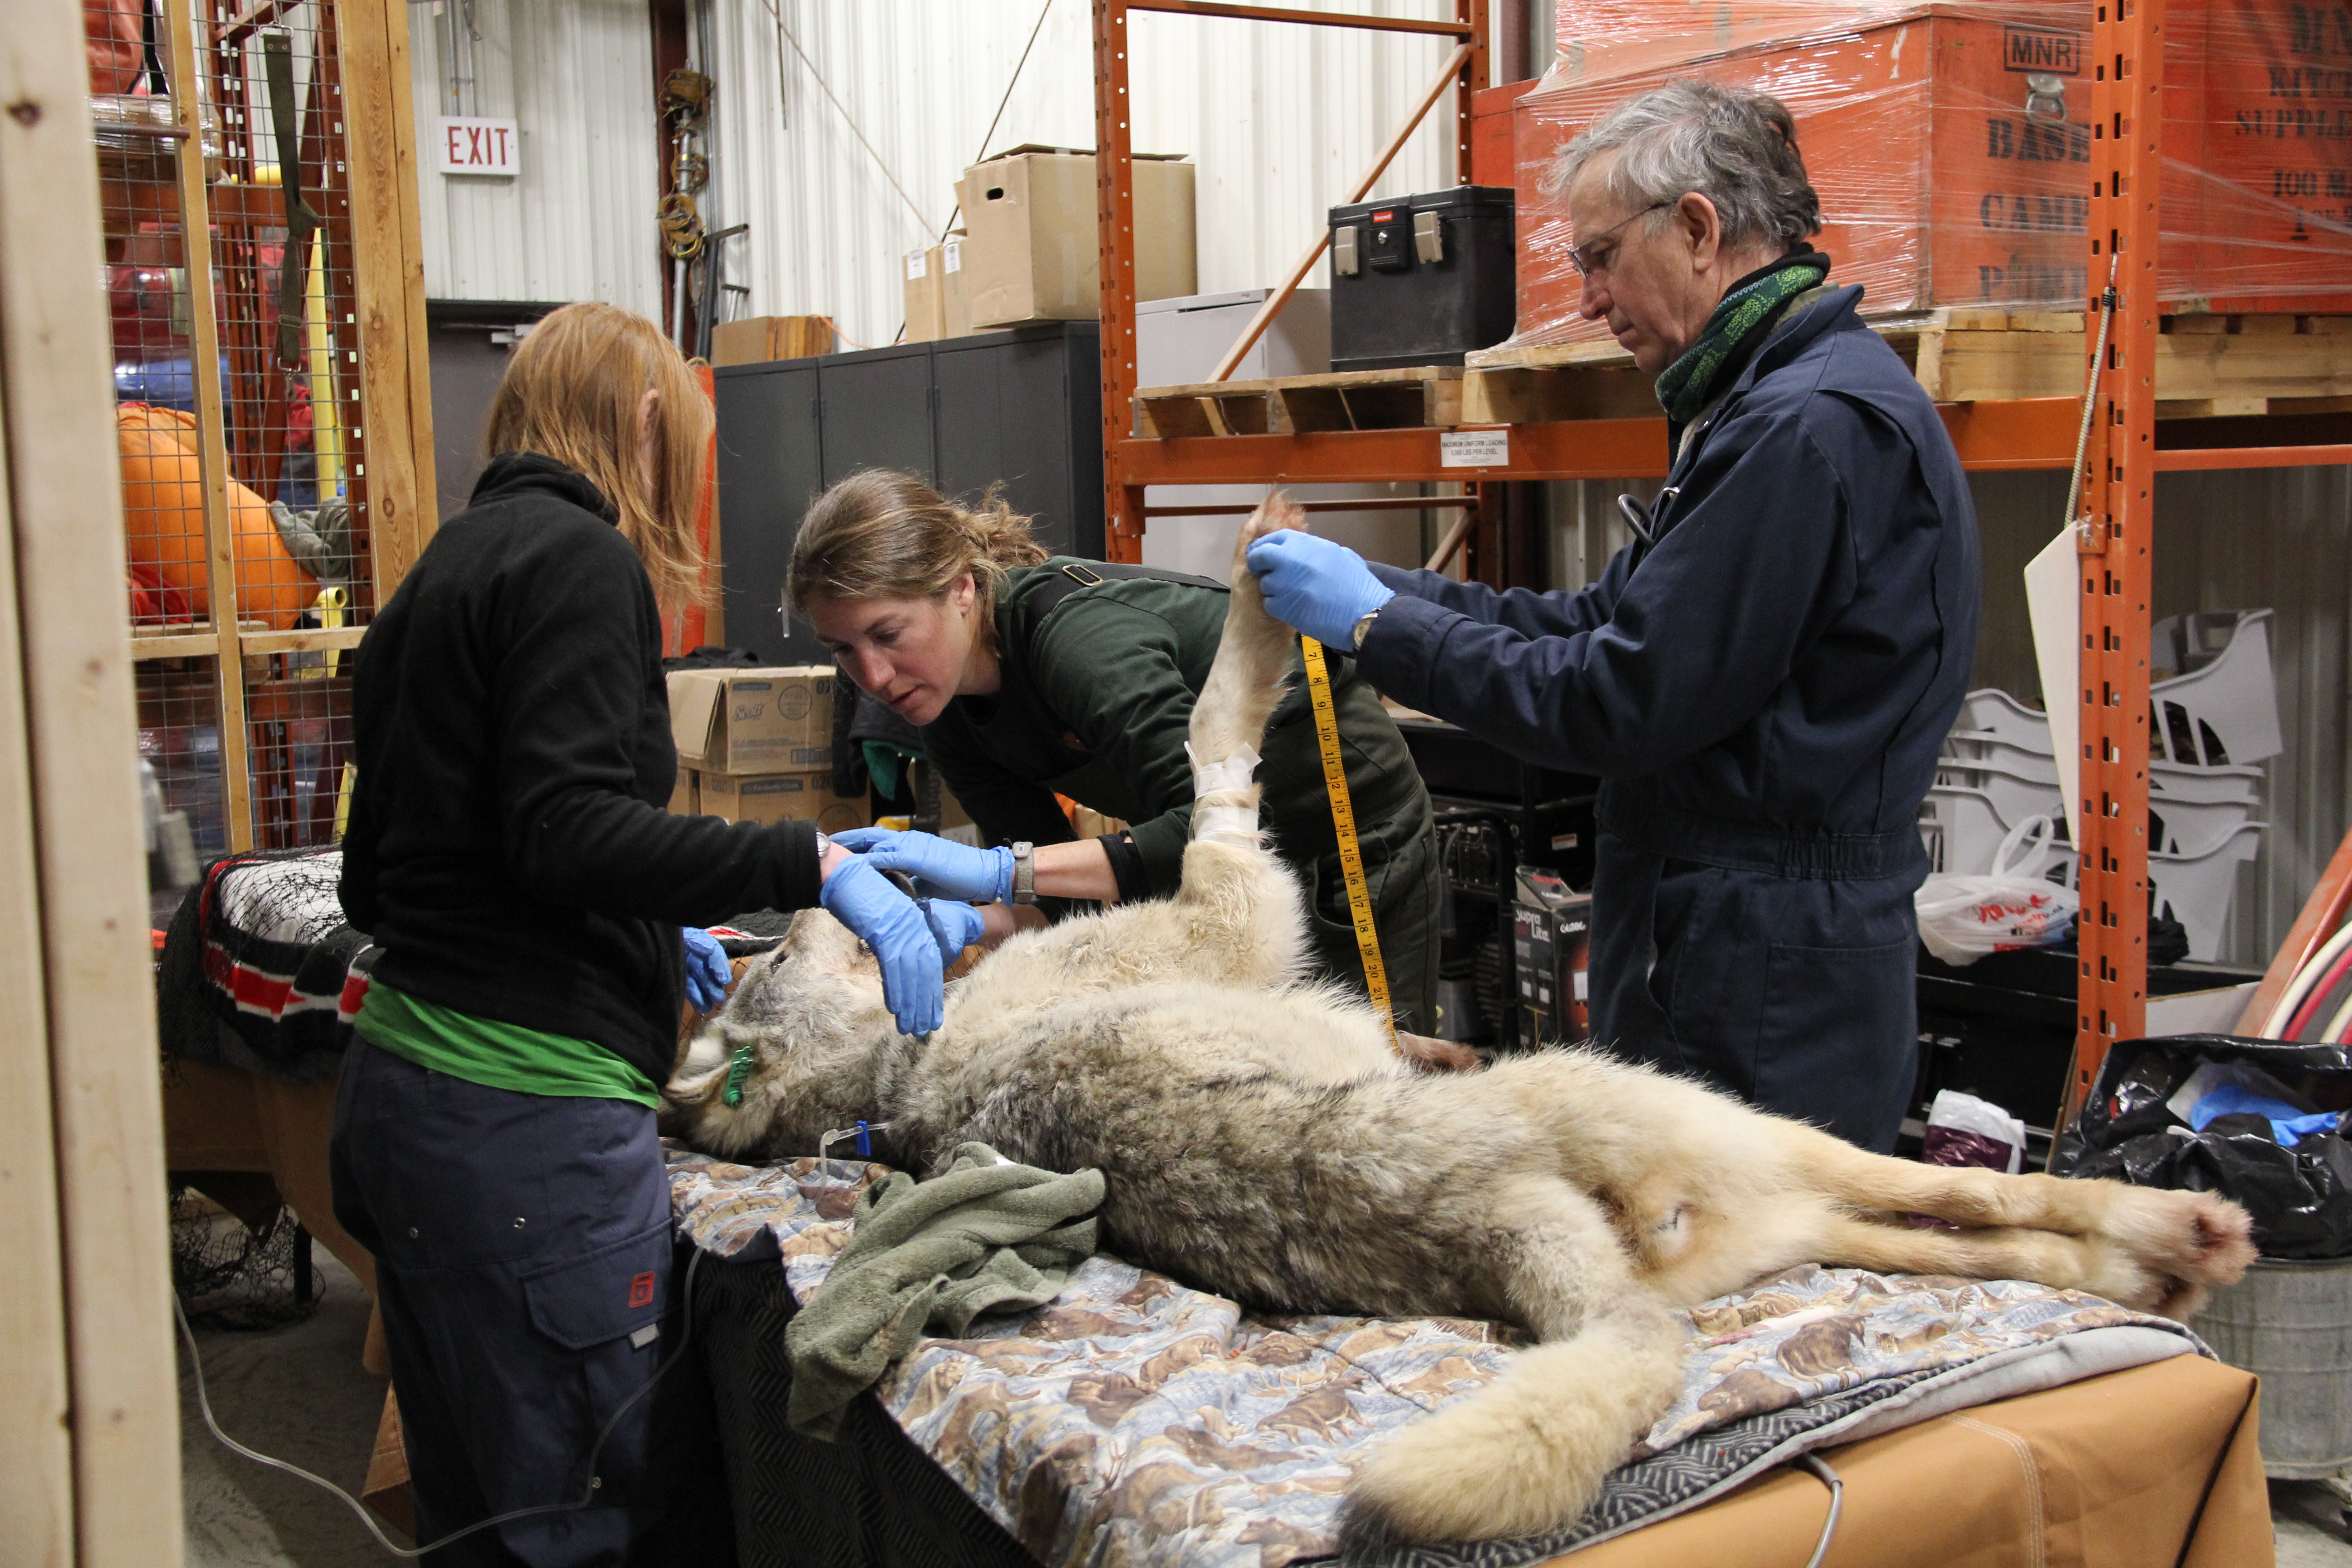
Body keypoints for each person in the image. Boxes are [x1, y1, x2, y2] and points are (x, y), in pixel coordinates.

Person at [330, 302, 973, 1565]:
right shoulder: (577, 561)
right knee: (596, 1525)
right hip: (524, 1132)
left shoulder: (440, 576)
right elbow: (563, 827)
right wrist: (810, 859)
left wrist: (637, 915)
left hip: (406, 1103)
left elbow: (384, 879)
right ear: (639, 421)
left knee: (484, 1518)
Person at [1246, 81, 1980, 1151]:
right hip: (1722, 934)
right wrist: (1386, 589)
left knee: (1746, 1290)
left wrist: (1376, 630)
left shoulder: (1804, 430)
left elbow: (1615, 700)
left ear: (1696, 228)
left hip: (1764, 972)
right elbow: (1605, 621)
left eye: (1597, 257)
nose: (1588, 299)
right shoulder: (1753, 406)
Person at [784, 471, 1445, 1035]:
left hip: (1341, 838)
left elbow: (1210, 823)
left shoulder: (1075, 640)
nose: (871, 676)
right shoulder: (947, 711)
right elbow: (1058, 896)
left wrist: (1002, 872)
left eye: (887, 634)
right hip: (1220, 847)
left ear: (960, 589)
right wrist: (972, 920)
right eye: (842, 650)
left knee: (1364, 1078)